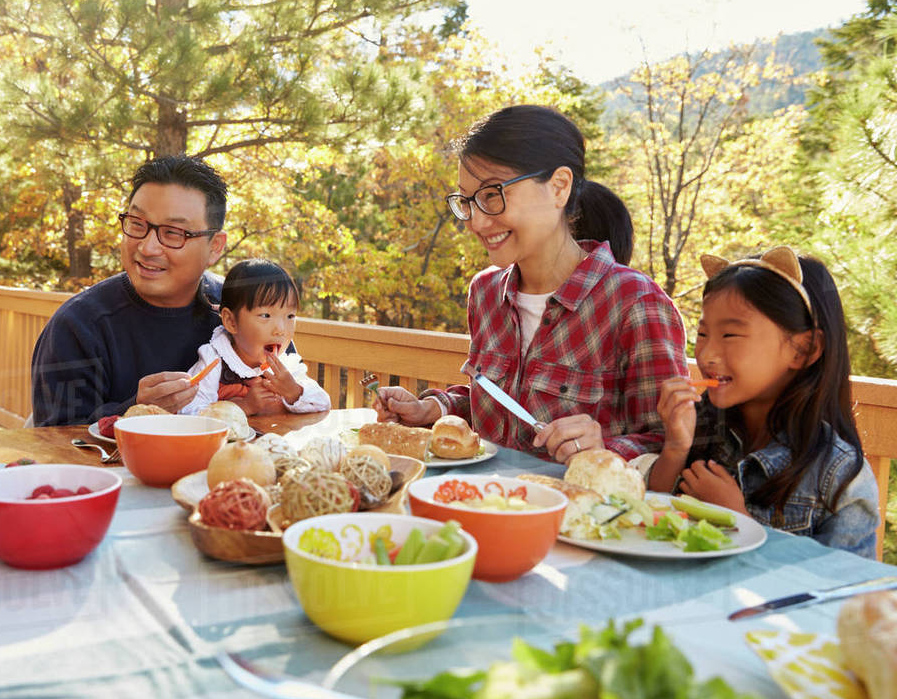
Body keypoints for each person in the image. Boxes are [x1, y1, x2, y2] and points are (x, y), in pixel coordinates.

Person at [375, 105, 688, 463]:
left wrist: (603, 449)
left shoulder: (635, 302)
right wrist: (431, 409)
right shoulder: (485, 294)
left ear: (558, 187)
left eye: (492, 195)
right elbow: (498, 402)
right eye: (467, 201)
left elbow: (670, 443)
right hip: (480, 504)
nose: (475, 222)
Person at [649, 247, 879, 557]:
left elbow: (843, 592)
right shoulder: (702, 423)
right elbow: (648, 521)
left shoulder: (839, 475)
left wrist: (738, 521)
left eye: (730, 335)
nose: (706, 355)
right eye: (702, 334)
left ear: (802, 349)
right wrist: (675, 449)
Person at [31, 156, 228, 426]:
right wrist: (136, 411)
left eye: (173, 233)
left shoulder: (242, 309)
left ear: (215, 246)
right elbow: (54, 443)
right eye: (137, 224)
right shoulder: (79, 325)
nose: (147, 248)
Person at [180, 258, 330, 416]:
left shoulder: (285, 367)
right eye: (266, 315)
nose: (280, 330)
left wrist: (294, 392)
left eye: (290, 316)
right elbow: (187, 411)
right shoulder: (214, 360)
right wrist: (244, 406)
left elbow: (323, 403)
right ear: (231, 321)